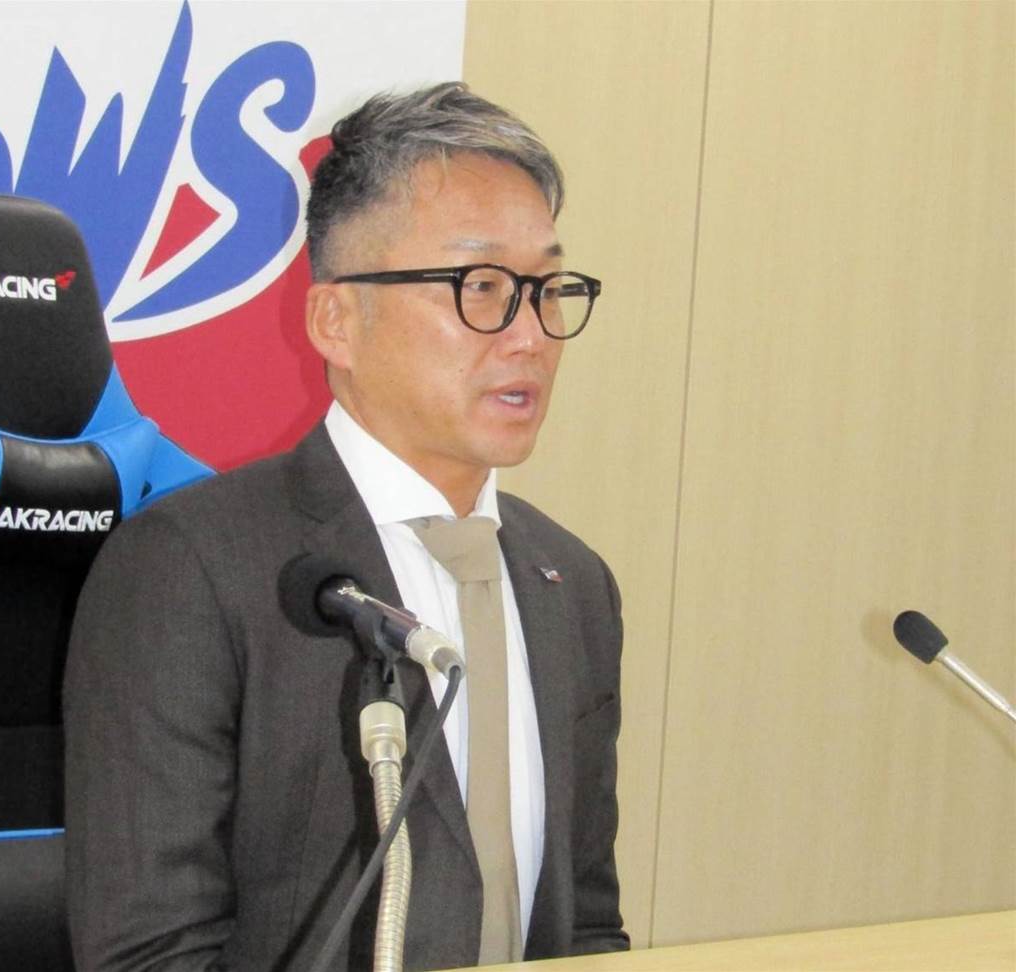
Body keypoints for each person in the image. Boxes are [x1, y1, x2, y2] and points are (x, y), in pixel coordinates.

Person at [64, 82, 629, 971]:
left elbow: (587, 923)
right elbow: (148, 953)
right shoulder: (192, 568)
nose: (530, 335)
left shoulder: (573, 585)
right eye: (482, 287)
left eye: (548, 289)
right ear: (336, 320)